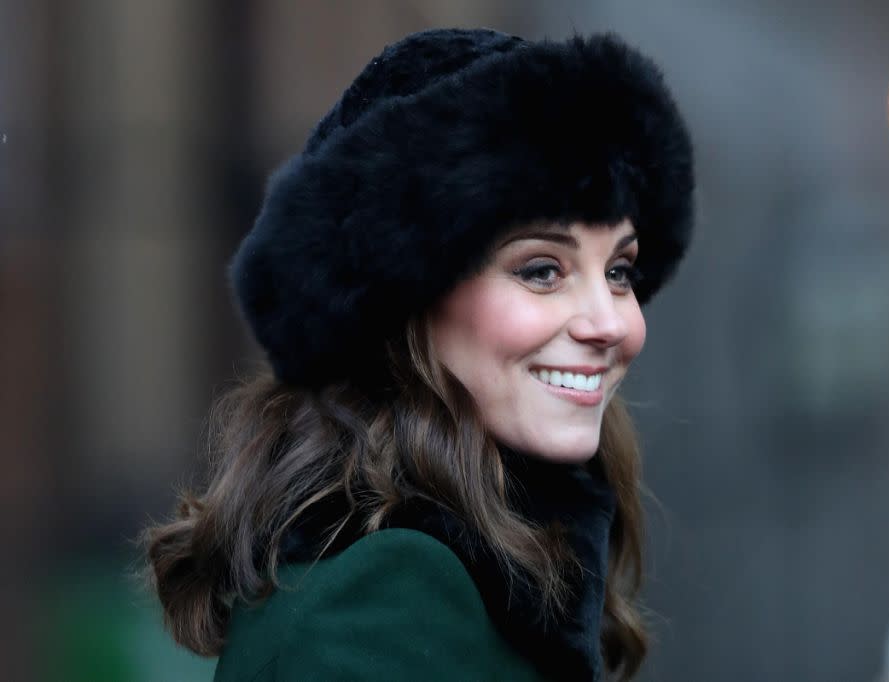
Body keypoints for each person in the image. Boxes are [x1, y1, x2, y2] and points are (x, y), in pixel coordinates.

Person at [143, 27, 695, 681]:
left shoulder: (488, 571)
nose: (612, 323)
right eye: (542, 270)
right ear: (403, 295)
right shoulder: (387, 598)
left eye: (620, 272)